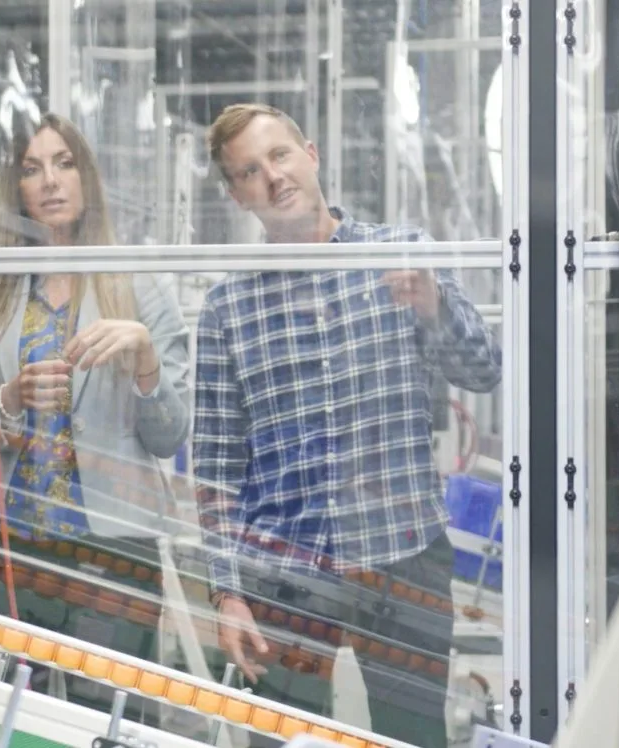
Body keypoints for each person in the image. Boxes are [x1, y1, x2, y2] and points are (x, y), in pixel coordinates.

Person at [193, 103, 502, 747]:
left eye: (279, 155)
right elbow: (217, 469)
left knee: (414, 739)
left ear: (311, 153)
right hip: (284, 577)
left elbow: (485, 369)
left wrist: (435, 305)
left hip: (402, 557)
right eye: (249, 171)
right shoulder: (228, 307)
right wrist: (226, 593)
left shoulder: (401, 253)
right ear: (236, 194)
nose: (272, 177)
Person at [0, 113, 191, 702]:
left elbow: (170, 437)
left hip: (111, 551)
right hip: (4, 547)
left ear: (87, 180)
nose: (51, 181)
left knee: (107, 724)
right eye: (32, 169)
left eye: (64, 164)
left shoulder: (137, 285)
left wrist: (145, 361)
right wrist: (5, 400)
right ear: (16, 191)